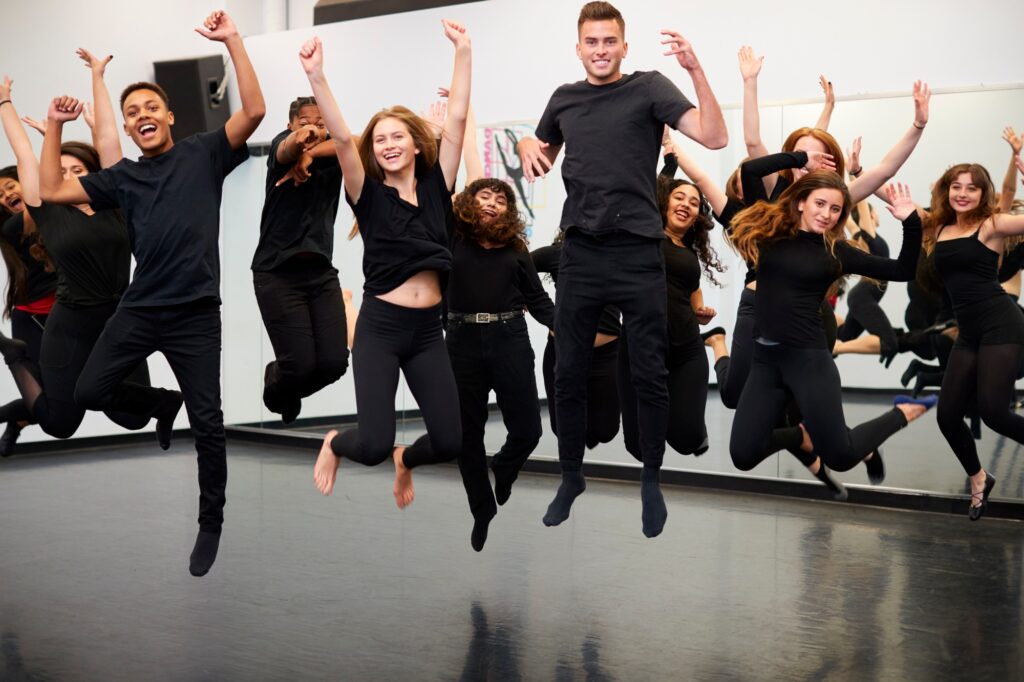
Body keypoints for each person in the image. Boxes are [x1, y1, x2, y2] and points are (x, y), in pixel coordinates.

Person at [38, 11, 265, 577]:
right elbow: (49, 188)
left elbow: (255, 111)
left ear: (170, 116)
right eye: (130, 111)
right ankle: (164, 404)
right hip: (139, 309)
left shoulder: (203, 153)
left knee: (209, 422)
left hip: (194, 315)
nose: (141, 116)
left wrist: (233, 40)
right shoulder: (122, 178)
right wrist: (54, 126)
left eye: (149, 108)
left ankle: (210, 522)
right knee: (90, 389)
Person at [517, 0, 727, 538]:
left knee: (648, 371)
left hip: (637, 252)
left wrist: (695, 69)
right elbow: (539, 154)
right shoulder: (563, 100)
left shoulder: (649, 87)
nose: (601, 50)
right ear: (579, 46)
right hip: (582, 251)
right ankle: (570, 476)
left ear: (623, 46)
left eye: (610, 41)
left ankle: (651, 479)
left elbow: (714, 135)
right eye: (592, 42)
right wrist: (525, 142)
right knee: (566, 371)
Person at [305, 21, 471, 510]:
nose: (389, 144)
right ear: (373, 152)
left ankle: (408, 460)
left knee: (450, 441)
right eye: (380, 140)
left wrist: (463, 50)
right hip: (381, 327)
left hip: (426, 331)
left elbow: (457, 120)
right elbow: (339, 137)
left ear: (417, 144)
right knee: (372, 445)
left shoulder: (439, 189)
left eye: (398, 136)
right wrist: (317, 75)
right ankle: (335, 442)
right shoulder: (368, 197)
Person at [0, 53, 180, 445]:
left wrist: (98, 76)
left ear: (93, 173)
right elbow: (24, 154)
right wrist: (6, 103)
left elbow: (108, 140)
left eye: (77, 171)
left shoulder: (117, 198)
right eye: (61, 172)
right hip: (72, 324)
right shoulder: (47, 210)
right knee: (60, 424)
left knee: (131, 418)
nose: (68, 177)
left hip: (121, 320)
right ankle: (15, 354)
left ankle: (166, 403)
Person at [728, 173, 934, 474]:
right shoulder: (770, 231)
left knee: (840, 456)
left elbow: (903, 269)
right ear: (801, 202)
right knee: (743, 455)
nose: (826, 214)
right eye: (820, 204)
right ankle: (801, 435)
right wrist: (797, 160)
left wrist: (910, 222)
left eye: (835, 209)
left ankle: (903, 411)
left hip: (807, 361)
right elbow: (752, 171)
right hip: (765, 362)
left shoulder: (836, 251)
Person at [446, 178, 554, 551]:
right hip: (460, 342)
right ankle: (481, 508)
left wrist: (564, 327)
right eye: (484, 196)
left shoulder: (515, 247)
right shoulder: (452, 238)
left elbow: (537, 299)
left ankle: (504, 467)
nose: (492, 203)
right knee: (466, 436)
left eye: (501, 199)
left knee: (528, 431)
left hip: (509, 338)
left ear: (509, 211)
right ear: (468, 202)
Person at [927, 161, 1024, 519]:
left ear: (983, 194)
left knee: (995, 413)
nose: (963, 193)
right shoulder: (939, 226)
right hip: (969, 332)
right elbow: (894, 200)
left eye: (971, 187)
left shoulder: (992, 224)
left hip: (1002, 324)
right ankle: (979, 477)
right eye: (957, 186)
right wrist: (859, 176)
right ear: (946, 189)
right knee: (947, 416)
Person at [253, 96, 348, 424]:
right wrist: (301, 145)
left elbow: (355, 142)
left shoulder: (336, 155)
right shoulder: (283, 149)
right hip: (277, 273)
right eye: (306, 121)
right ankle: (282, 382)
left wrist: (313, 150)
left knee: (336, 364)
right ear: (290, 124)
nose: (315, 127)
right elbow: (287, 148)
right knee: (300, 366)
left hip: (320, 273)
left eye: (322, 122)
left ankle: (285, 386)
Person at [618, 178, 722, 462]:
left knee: (687, 439)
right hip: (640, 350)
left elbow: (691, 288)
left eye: (694, 203)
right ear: (664, 202)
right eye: (679, 197)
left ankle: (714, 340)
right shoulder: (644, 237)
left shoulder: (688, 251)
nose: (686, 205)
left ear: (697, 216)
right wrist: (668, 151)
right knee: (638, 447)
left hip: (686, 349)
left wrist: (700, 312)